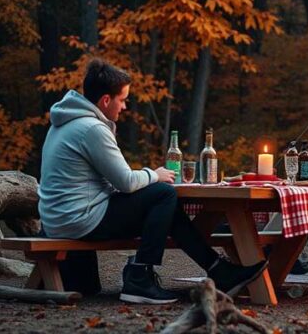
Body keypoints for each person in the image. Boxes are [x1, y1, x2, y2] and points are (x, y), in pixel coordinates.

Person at [38, 58, 267, 304]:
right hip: (79, 219)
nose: (124, 107)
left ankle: (219, 271)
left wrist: (145, 180)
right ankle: (139, 278)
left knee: (163, 205)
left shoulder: (65, 123)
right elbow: (125, 181)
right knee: (163, 195)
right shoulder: (92, 128)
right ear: (106, 100)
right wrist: (154, 174)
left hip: (58, 218)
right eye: (123, 100)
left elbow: (107, 180)